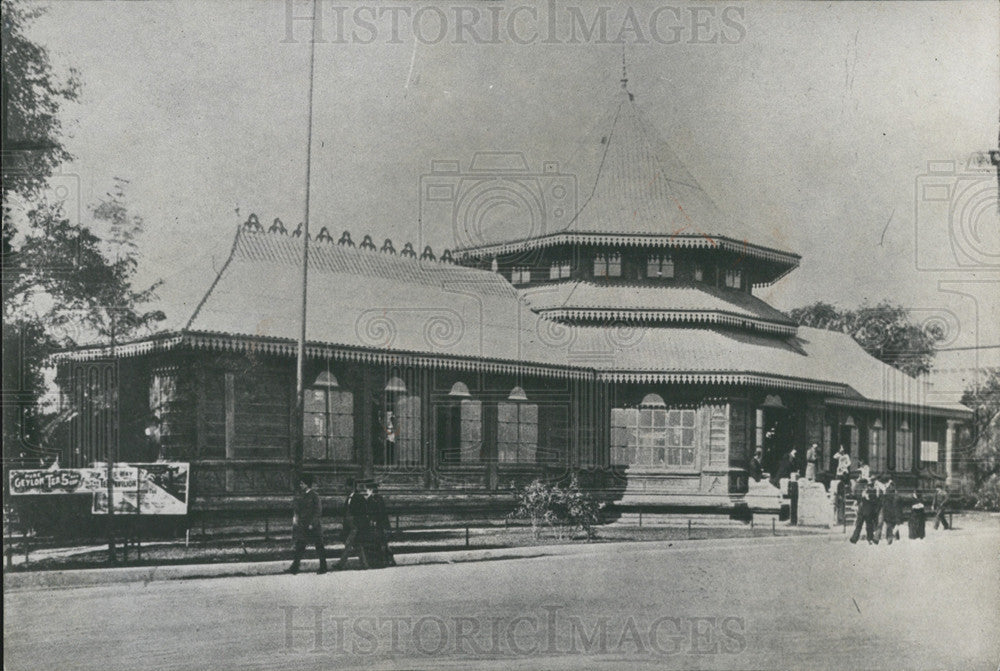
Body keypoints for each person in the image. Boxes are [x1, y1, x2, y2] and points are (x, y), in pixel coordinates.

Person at [286, 474, 327, 574]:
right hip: (304, 525)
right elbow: (298, 509)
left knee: (319, 547)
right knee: (300, 546)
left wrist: (312, 524)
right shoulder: (302, 495)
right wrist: (296, 518)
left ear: (307, 485)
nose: (300, 485)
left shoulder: (314, 496)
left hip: (314, 527)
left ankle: (323, 567)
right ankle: (294, 568)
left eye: (302, 483)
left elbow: (318, 511)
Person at [335, 478, 370, 570]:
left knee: (348, 543)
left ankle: (340, 565)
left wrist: (358, 524)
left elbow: (363, 512)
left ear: (352, 487)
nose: (345, 488)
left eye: (347, 486)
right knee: (358, 545)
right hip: (349, 525)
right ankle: (365, 564)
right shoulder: (348, 498)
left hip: (355, 526)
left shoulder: (359, 497)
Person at [369, 481, 396, 567]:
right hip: (382, 524)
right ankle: (389, 561)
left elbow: (378, 513)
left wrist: (374, 520)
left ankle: (385, 561)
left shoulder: (374, 499)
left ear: (370, 490)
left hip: (379, 525)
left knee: (382, 543)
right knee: (383, 543)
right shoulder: (378, 499)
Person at [849, 479, 880, 545]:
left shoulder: (871, 491)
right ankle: (857, 538)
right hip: (864, 510)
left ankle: (866, 539)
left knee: (865, 525)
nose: (867, 487)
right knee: (863, 525)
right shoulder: (865, 491)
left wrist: (867, 497)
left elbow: (874, 500)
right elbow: (858, 497)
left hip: (865, 510)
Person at [874, 475, 899, 544]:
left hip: (888, 506)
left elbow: (892, 496)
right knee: (881, 522)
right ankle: (877, 538)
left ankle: (889, 538)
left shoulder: (891, 486)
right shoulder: (881, 487)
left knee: (888, 523)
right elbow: (878, 496)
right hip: (883, 506)